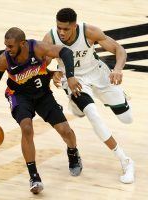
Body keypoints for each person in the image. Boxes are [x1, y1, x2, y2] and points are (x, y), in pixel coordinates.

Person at [0, 27, 83, 194]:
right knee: (27, 128)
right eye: (5, 45)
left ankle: (73, 152)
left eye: (10, 46)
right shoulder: (4, 60)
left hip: (43, 94)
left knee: (66, 131)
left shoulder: (38, 48)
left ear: (22, 43)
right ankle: (34, 176)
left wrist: (70, 76)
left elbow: (65, 52)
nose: (7, 49)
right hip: (19, 96)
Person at [42, 8, 135, 184]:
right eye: (59, 27)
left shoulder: (89, 32)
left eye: (66, 29)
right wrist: (50, 73)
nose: (61, 32)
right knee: (92, 114)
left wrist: (118, 69)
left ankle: (83, 104)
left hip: (98, 74)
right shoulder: (50, 39)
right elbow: (39, 64)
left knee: (127, 119)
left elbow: (119, 49)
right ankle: (126, 161)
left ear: (75, 26)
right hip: (74, 81)